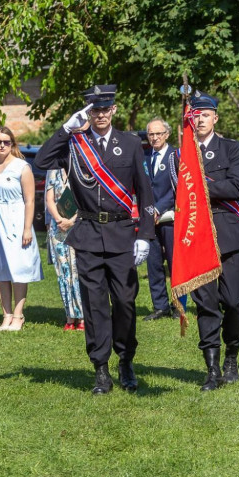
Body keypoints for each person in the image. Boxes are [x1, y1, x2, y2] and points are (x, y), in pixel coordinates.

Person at [36, 84, 155, 395]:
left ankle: (126, 359)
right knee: (95, 305)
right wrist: (65, 128)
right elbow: (41, 161)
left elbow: (145, 192)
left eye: (105, 109)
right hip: (88, 235)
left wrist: (144, 235)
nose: (100, 114)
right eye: (94, 110)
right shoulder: (75, 144)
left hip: (121, 236)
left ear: (114, 109)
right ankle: (100, 368)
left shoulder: (130, 143)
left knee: (126, 304)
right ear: (87, 112)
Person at [186, 90, 239, 391]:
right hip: (196, 238)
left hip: (226, 233)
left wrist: (199, 189)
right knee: (206, 304)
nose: (200, 119)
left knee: (232, 301)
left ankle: (232, 357)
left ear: (215, 118)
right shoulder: (182, 154)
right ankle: (211, 369)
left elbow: (236, 187)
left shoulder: (231, 149)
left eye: (205, 114)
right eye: (195, 114)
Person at [0, 126, 43, 332]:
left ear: (12, 144)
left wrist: (27, 228)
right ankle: (6, 314)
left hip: (15, 218)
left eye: (6, 142)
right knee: (0, 269)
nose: (2, 145)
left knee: (18, 267)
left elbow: (30, 200)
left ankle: (18, 314)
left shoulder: (21, 167)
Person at [142, 118, 178, 320]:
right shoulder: (144, 156)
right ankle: (160, 306)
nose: (154, 138)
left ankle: (177, 305)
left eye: (158, 134)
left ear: (167, 134)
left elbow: (179, 187)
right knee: (153, 264)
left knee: (174, 264)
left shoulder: (176, 156)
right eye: (151, 134)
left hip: (171, 219)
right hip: (149, 220)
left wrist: (158, 208)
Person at [44, 168, 84, 331]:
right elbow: (49, 199)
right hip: (58, 228)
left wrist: (72, 221)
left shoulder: (82, 168)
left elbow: (87, 199)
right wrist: (60, 220)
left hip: (80, 225)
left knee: (78, 271)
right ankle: (69, 316)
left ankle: (82, 316)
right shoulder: (52, 171)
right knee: (64, 272)